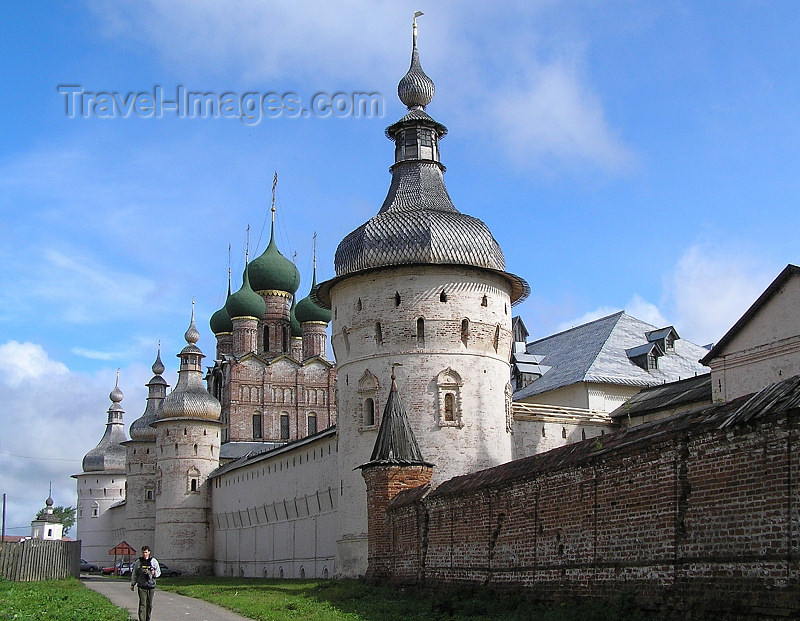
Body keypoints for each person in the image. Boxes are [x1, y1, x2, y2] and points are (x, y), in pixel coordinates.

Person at [130, 545, 161, 621]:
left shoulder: (154, 561)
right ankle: (142, 619)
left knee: (149, 605)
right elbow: (135, 573)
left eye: (146, 552)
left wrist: (153, 573)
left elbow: (159, 573)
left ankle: (148, 619)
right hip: (141, 586)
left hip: (151, 586)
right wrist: (133, 584)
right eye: (143, 552)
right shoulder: (138, 562)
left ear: (149, 552)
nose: (144, 554)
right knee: (143, 604)